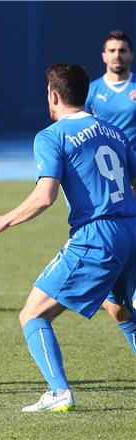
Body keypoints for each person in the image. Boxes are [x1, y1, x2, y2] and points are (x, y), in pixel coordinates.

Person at [0, 63, 136, 412]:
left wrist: (3, 220)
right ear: (86, 94)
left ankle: (59, 393)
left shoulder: (51, 136)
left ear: (52, 96)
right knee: (121, 310)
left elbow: (44, 196)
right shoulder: (114, 132)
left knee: (32, 315)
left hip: (98, 234)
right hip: (131, 229)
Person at [85, 29, 136, 352]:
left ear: (130, 55)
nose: (117, 55)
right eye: (112, 50)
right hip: (110, 187)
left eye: (123, 50)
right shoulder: (91, 92)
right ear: (104, 56)